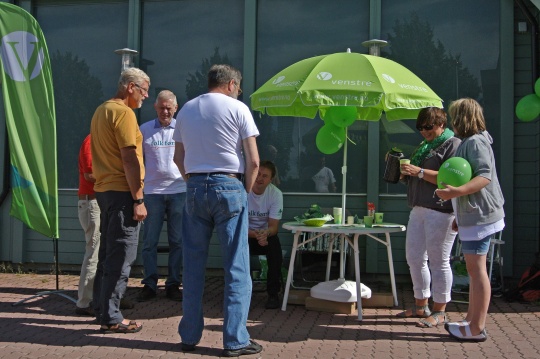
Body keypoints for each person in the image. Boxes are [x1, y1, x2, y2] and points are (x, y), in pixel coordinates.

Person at [173, 64, 262, 357]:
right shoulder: (238, 109)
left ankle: (189, 336)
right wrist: (244, 192)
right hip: (229, 184)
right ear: (232, 84)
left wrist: (193, 182)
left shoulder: (185, 109)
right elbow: (254, 161)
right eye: (239, 86)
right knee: (236, 266)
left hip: (196, 185)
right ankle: (235, 340)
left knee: (193, 265)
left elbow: (178, 156)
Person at [436, 98, 505, 342]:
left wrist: (455, 192)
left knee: (477, 272)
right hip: (474, 216)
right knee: (476, 270)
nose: (452, 121)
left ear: (463, 117)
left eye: (455, 116)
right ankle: (471, 320)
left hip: (481, 216)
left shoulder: (475, 142)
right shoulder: (474, 141)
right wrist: (459, 214)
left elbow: (483, 177)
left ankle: (476, 328)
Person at [90, 67, 150, 334]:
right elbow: (129, 158)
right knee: (122, 254)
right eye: (144, 90)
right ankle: (112, 317)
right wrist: (138, 198)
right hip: (123, 192)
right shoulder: (124, 113)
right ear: (131, 87)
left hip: (104, 191)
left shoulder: (101, 110)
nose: (145, 96)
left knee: (107, 253)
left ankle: (101, 308)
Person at [397, 107, 461, 328]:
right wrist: (405, 173)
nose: (424, 131)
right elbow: (417, 177)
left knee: (439, 261)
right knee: (414, 257)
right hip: (418, 207)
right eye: (420, 127)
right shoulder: (424, 147)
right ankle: (420, 305)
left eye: (428, 127)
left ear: (442, 123)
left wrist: (420, 172)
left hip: (441, 210)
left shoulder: (453, 144)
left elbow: (451, 179)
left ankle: (440, 310)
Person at [138, 90, 185, 302]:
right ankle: (149, 284)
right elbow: (137, 162)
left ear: (176, 108)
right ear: (155, 107)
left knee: (178, 241)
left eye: (169, 108)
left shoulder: (183, 129)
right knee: (149, 241)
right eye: (162, 107)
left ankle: (174, 284)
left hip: (178, 191)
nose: (165, 111)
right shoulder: (144, 130)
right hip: (152, 193)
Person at [247, 160, 283, 309]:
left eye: (265, 176)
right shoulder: (244, 191)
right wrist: (256, 235)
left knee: (275, 251)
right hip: (246, 234)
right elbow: (237, 226)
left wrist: (265, 233)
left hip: (265, 235)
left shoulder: (276, 194)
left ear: (271, 179)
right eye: (258, 174)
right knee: (236, 250)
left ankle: (273, 294)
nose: (260, 178)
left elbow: (274, 227)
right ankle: (240, 292)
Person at [75, 134, 100, 316]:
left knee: (104, 252)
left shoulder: (102, 140)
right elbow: (90, 175)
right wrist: (118, 179)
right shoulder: (92, 141)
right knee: (94, 251)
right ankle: (85, 302)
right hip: (93, 202)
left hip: (102, 202)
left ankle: (105, 297)